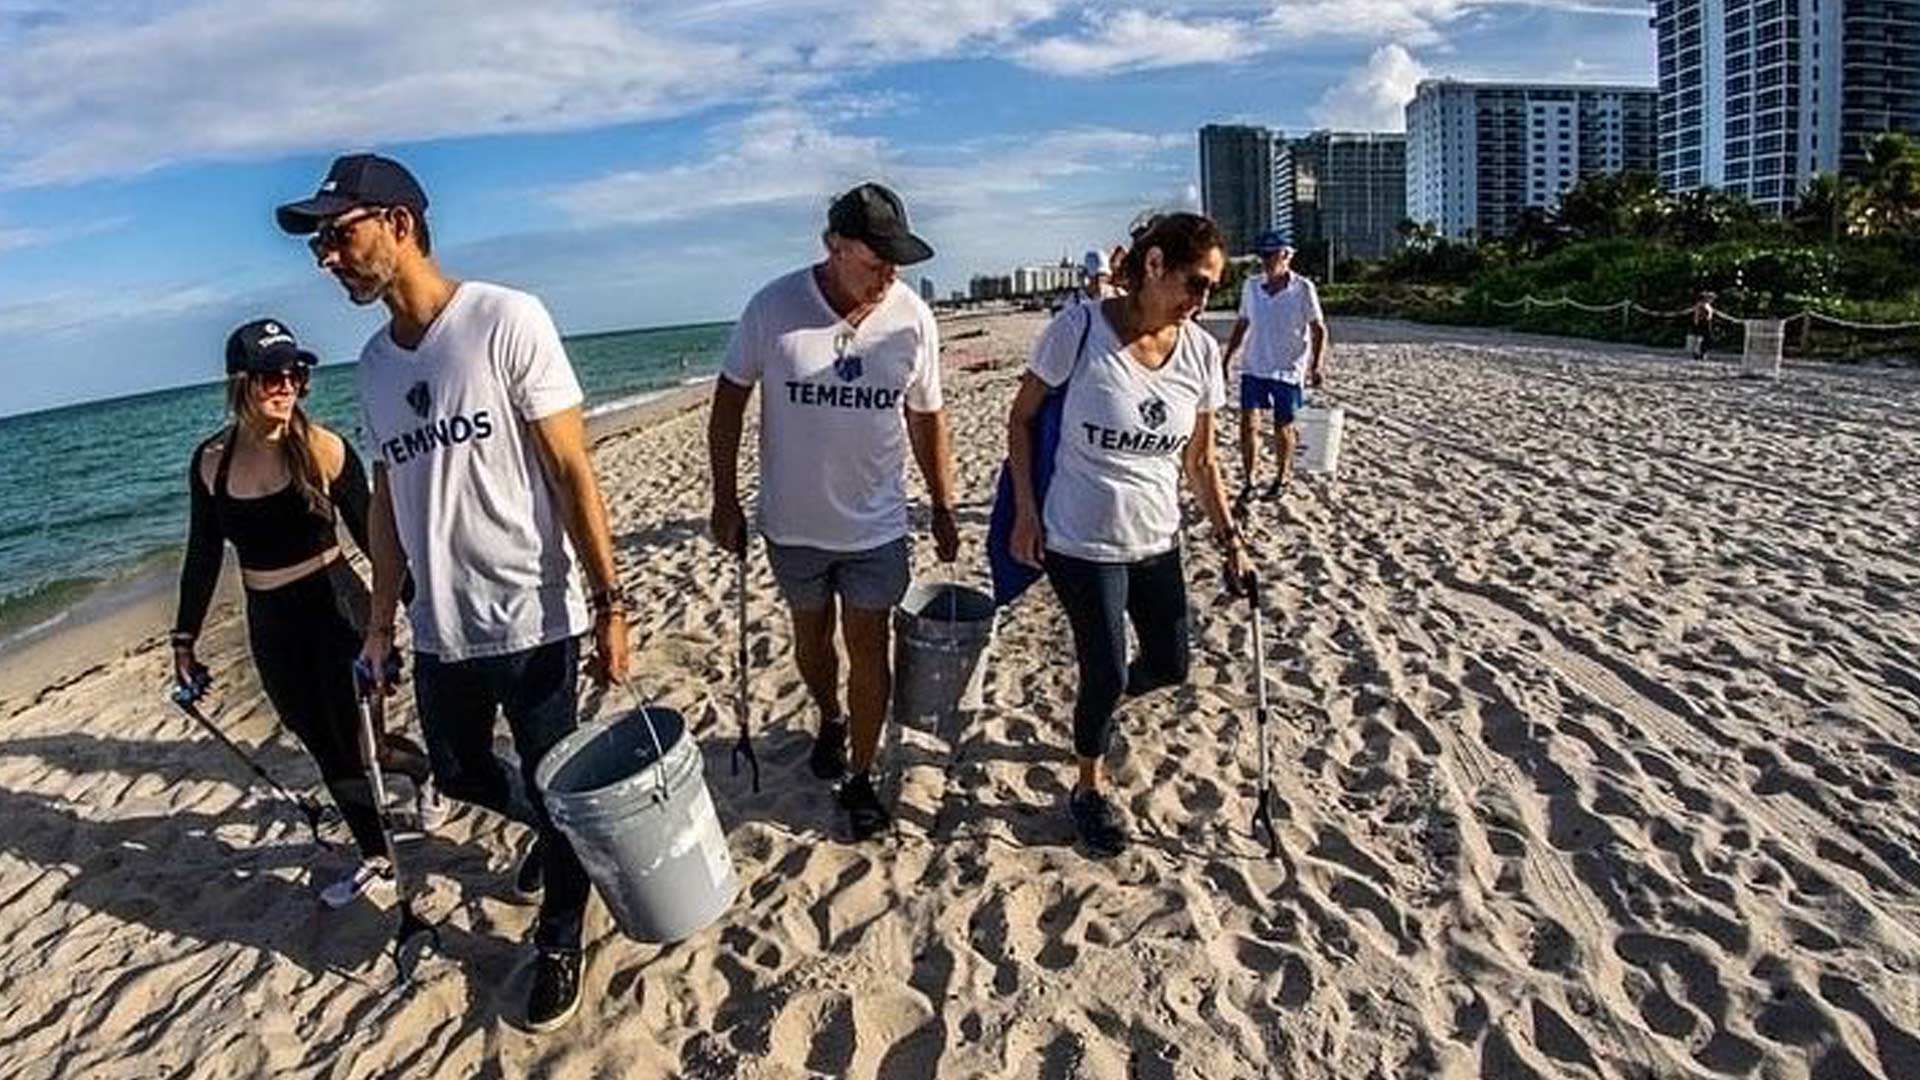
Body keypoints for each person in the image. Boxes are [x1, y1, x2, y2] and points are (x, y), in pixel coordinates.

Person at [276, 153, 629, 1032]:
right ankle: (555, 838)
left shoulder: (507, 318)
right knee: (465, 770)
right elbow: (391, 500)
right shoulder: (372, 366)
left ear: (398, 224)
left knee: (555, 781)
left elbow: (570, 466)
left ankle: (557, 939)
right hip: (441, 627)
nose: (327, 256)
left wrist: (611, 602)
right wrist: (380, 626)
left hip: (534, 612)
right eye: (321, 241)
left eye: (339, 233)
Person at [707, 182, 959, 842]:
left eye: (897, 261)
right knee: (812, 644)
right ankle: (829, 714)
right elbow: (729, 401)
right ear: (834, 246)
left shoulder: (913, 318)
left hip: (877, 525)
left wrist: (942, 501)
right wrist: (723, 498)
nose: (890, 274)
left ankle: (861, 773)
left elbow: (927, 416)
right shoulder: (774, 308)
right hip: (793, 525)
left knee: (868, 647)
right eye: (876, 260)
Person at [171, 318, 440, 910]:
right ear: (241, 382)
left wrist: (417, 607)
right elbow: (201, 555)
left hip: (337, 608)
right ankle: (376, 854)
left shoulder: (322, 447)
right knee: (322, 746)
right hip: (271, 626)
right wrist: (184, 639)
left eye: (297, 373)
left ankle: (419, 775)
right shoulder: (210, 462)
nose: (287, 384)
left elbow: (379, 535)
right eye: (273, 374)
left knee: (363, 744)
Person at [1005, 212, 1250, 858]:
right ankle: (1088, 786)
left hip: (1157, 539)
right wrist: (1027, 512)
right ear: (1154, 266)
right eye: (1195, 284)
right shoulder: (1079, 329)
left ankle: (1102, 705)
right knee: (1105, 666)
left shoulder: (1198, 352)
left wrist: (1231, 540)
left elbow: (1201, 462)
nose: (1202, 301)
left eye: (1213, 289)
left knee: (1170, 664)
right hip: (1079, 539)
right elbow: (1021, 418)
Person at [1221, 230, 1327, 501]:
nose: (1267, 261)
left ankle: (1282, 477)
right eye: (1263, 255)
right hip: (1254, 365)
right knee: (1248, 424)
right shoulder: (1251, 286)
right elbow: (1242, 323)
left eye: (1273, 254)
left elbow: (1319, 329)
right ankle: (1250, 480)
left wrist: (1316, 365)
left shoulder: (1303, 288)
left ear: (1287, 255)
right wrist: (1227, 358)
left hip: (1288, 368)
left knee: (1283, 426)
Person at [1689, 291, 1716, 360]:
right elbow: (1697, 314)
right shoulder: (1701, 305)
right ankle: (1698, 353)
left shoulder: (1707, 305)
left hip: (1706, 323)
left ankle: (1701, 353)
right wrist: (1696, 322)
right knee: (1701, 339)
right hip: (1702, 323)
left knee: (1706, 339)